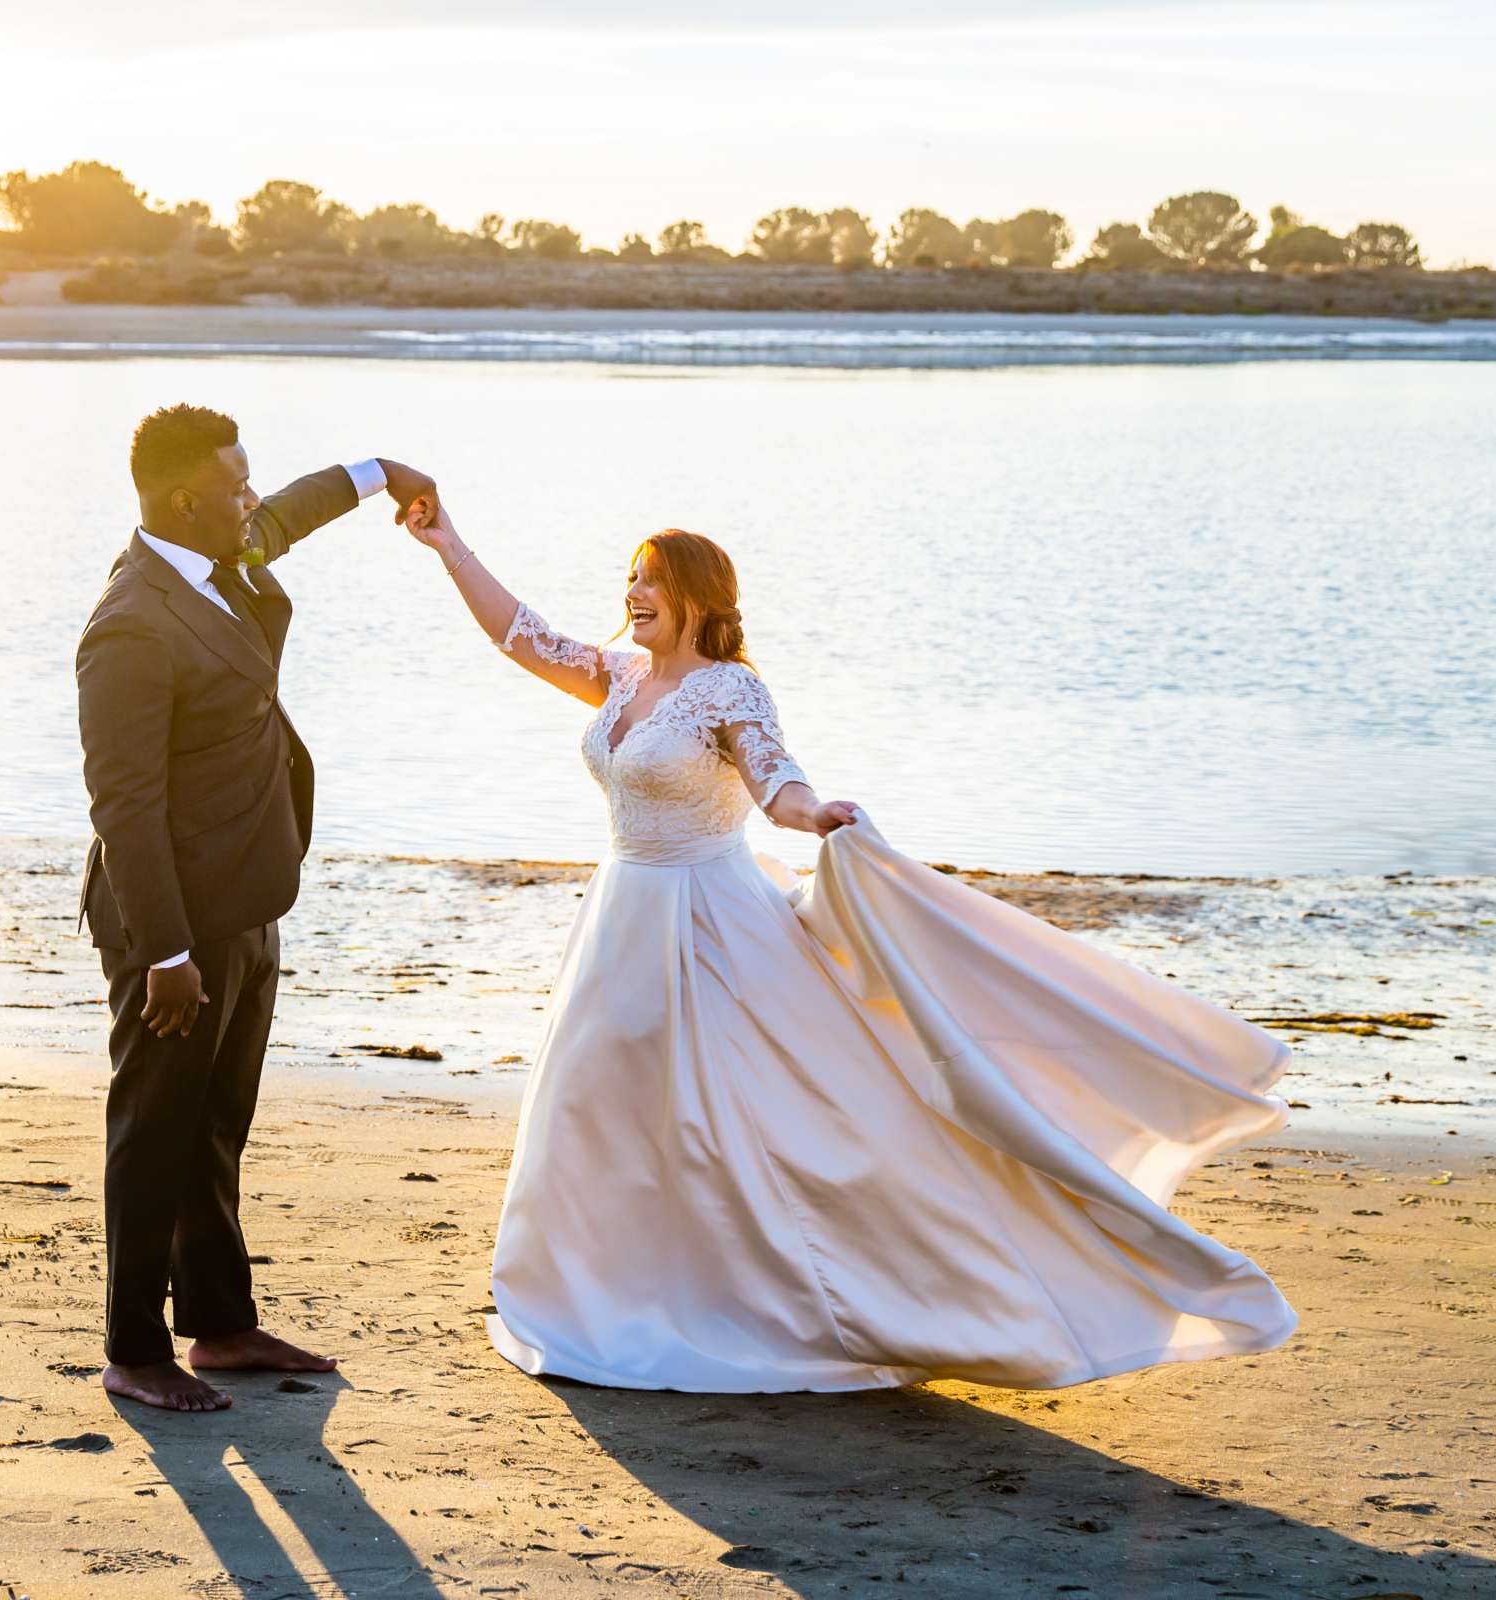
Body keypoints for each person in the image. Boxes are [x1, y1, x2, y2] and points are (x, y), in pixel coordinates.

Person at [402, 496, 1298, 1392]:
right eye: (631, 576)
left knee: (741, 1117)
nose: (635, 592)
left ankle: (787, 1298)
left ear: (702, 599)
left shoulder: (730, 687)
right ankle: (594, 1293)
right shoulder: (622, 677)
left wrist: (815, 813)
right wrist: (448, 544)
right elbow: (520, 635)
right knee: (599, 1105)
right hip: (621, 916)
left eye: (654, 580)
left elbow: (773, 779)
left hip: (708, 918)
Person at [76, 403, 434, 1412]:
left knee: (216, 1122)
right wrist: (166, 951)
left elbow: (289, 514)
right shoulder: (132, 622)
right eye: (237, 485)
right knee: (155, 1128)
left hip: (245, 898)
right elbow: (126, 803)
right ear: (185, 499)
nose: (252, 498)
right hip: (172, 927)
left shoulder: (216, 548)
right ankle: (134, 1349)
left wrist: (379, 469)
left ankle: (222, 1326)